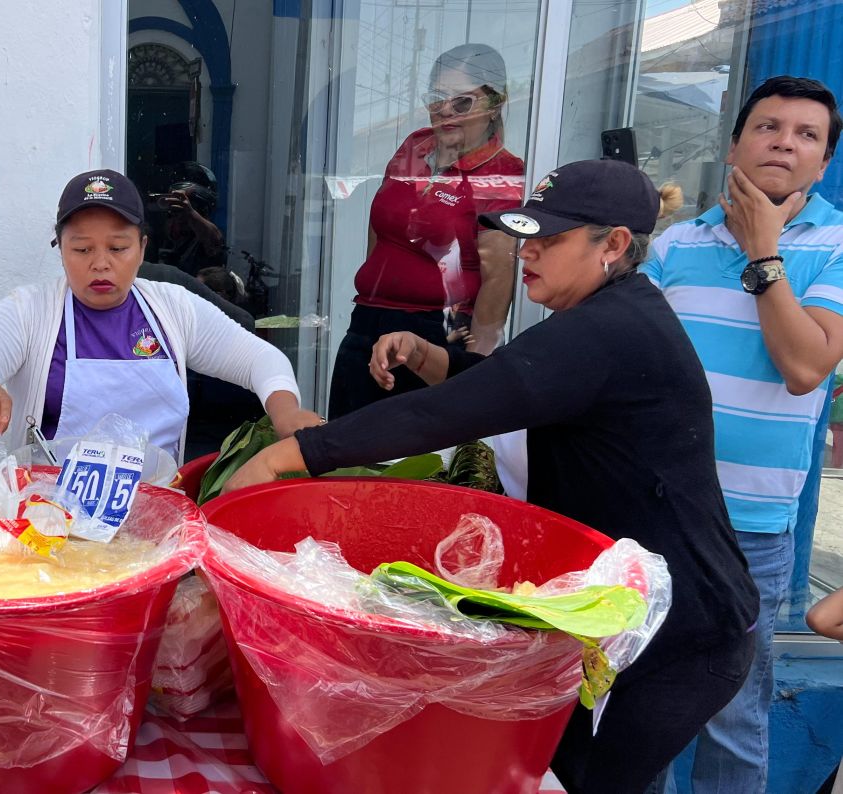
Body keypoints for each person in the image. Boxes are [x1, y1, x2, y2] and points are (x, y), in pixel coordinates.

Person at [221, 159, 759, 794]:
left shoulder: (610, 330)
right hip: (623, 612)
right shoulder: (602, 318)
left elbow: (445, 415)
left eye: (549, 241)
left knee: (585, 781)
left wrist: (289, 456)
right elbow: (503, 389)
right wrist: (427, 355)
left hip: (680, 631)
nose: (526, 254)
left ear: (613, 244)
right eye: (525, 237)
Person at [642, 75, 843, 794]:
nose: (783, 143)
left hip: (749, 529)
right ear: (734, 145)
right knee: (642, 705)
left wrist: (764, 253)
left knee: (729, 713)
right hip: (654, 510)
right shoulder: (673, 247)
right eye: (767, 127)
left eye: (805, 135)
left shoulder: (835, 245)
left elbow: (803, 366)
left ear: (822, 163)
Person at [0, 168, 321, 461]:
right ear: (60, 248)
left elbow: (260, 358)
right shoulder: (29, 311)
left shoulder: (173, 309)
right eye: (82, 250)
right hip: (47, 516)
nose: (100, 264)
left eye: (118, 248)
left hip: (157, 511)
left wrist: (284, 410)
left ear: (143, 247)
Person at [328, 42, 524, 418]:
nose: (445, 111)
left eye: (462, 102)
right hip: (367, 318)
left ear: (494, 104)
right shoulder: (415, 145)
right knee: (342, 451)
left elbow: (498, 279)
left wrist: (472, 371)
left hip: (432, 333)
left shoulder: (501, 170)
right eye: (437, 98)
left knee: (405, 461)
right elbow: (382, 230)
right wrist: (378, 285)